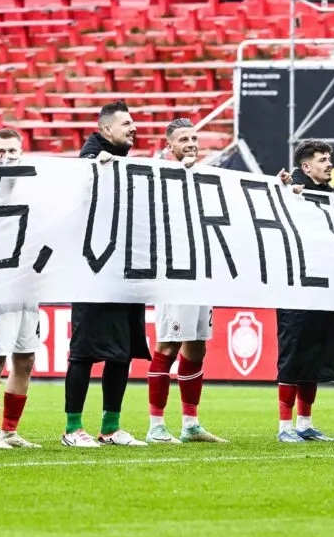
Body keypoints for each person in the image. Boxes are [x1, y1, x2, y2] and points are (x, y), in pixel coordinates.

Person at [62, 101, 149, 448]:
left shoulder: (127, 165)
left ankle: (111, 427)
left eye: (134, 122)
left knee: (121, 352)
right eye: (126, 123)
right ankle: (72, 429)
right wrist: (93, 172)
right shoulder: (87, 163)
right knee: (83, 352)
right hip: (92, 269)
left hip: (124, 271)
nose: (133, 128)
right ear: (106, 130)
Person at [146, 119, 226, 445]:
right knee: (168, 345)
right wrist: (182, 176)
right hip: (173, 272)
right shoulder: (157, 175)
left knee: (197, 348)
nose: (192, 143)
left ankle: (191, 424)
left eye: (194, 137)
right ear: (169, 146)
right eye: (183, 139)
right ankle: (155, 426)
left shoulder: (204, 176)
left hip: (200, 271)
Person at [273, 140, 334, 443]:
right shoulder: (291, 192)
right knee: (293, 355)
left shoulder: (330, 196)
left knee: (315, 355)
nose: (329, 164)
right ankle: (284, 427)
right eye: (323, 159)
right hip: (295, 288)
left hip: (324, 286)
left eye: (329, 159)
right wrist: (285, 191)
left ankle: (305, 423)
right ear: (306, 167)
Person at [0, 128, 41, 450]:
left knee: (25, 359)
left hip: (29, 284)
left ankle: (10, 431)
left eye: (12, 150)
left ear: (22, 150)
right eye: (0, 150)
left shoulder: (36, 183)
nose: (7, 155)